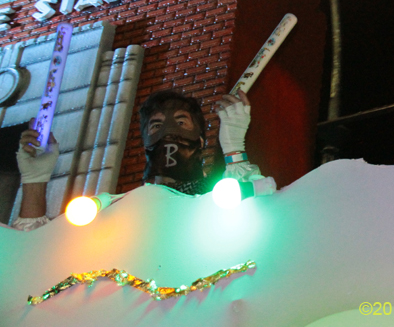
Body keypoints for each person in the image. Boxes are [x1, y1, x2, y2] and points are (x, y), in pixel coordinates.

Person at [8, 88, 261, 229]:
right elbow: (37, 255)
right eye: (156, 126)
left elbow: (262, 209)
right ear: (145, 144)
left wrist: (234, 148)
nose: (168, 133)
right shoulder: (114, 210)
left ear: (201, 140)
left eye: (181, 122)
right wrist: (35, 179)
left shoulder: (221, 196)